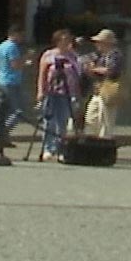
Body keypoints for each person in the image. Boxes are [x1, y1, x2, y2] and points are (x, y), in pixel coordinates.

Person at [36, 29, 81, 162]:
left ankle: (61, 149)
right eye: (64, 39)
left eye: (68, 39)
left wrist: (77, 94)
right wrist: (40, 91)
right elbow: (42, 74)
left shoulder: (73, 56)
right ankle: (48, 149)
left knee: (63, 122)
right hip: (51, 91)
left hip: (66, 93)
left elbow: (77, 75)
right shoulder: (49, 55)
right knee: (49, 121)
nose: (66, 42)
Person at [82, 28, 123, 140]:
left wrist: (94, 69)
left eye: (99, 42)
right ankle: (94, 138)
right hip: (97, 90)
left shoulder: (114, 54)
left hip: (108, 89)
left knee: (106, 119)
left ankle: (105, 142)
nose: (97, 44)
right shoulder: (99, 55)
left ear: (107, 43)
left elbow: (111, 70)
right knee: (91, 117)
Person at [0, 28, 30, 151]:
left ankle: (4, 137)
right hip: (11, 82)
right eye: (21, 35)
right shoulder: (12, 47)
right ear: (14, 34)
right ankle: (2, 133)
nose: (22, 38)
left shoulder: (0, 46)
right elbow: (15, 65)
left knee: (5, 111)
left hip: (1, 80)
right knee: (17, 111)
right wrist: (26, 59)